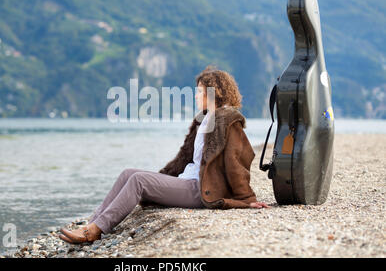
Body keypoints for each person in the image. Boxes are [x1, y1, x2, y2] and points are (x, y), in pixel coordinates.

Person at [59, 65, 269, 244]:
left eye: (199, 92)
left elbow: (236, 162)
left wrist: (245, 198)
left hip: (202, 189)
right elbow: (184, 158)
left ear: (214, 93)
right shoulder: (205, 119)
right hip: (189, 180)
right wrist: (163, 177)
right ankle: (93, 222)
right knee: (127, 174)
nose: (195, 96)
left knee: (139, 180)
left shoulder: (227, 122)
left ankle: (94, 231)